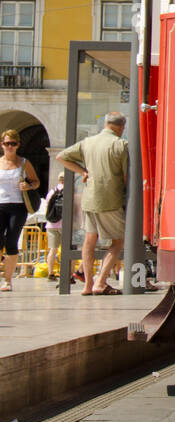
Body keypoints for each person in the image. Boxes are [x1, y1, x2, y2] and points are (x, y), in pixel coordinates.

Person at [57, 113, 128, 296]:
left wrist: (82, 171)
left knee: (89, 241)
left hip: (90, 198)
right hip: (111, 199)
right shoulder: (121, 145)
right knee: (118, 242)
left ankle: (88, 285)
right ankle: (101, 282)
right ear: (121, 127)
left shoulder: (87, 142)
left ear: (106, 124)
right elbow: (126, 177)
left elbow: (61, 157)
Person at [0, 129, 40, 290]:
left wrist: (29, 185)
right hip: (0, 205)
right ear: (2, 144)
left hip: (18, 206)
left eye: (13, 144)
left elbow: (36, 182)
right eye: (7, 143)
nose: (9, 147)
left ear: (18, 145)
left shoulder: (24, 163)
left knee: (11, 241)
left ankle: (8, 280)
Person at [38, 172, 65, 281]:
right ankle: (66, 273)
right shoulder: (70, 190)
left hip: (51, 224)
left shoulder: (51, 192)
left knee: (52, 250)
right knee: (66, 249)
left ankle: (50, 272)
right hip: (65, 224)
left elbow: (47, 206)